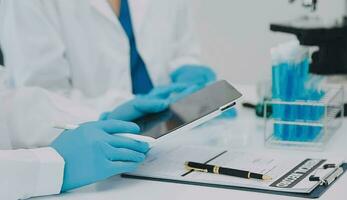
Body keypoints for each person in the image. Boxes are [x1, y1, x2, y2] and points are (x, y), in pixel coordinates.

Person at [0, 0, 218, 199]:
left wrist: (101, 116)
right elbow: (42, 87)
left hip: (159, 140)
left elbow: (14, 107)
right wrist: (54, 165)